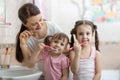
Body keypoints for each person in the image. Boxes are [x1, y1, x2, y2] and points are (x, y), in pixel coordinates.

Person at [15, 3, 62, 70]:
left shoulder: (52, 27)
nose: (39, 25)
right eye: (34, 24)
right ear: (25, 24)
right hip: (38, 74)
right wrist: (23, 45)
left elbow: (66, 48)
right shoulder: (24, 38)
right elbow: (29, 65)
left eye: (40, 19)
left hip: (57, 73)